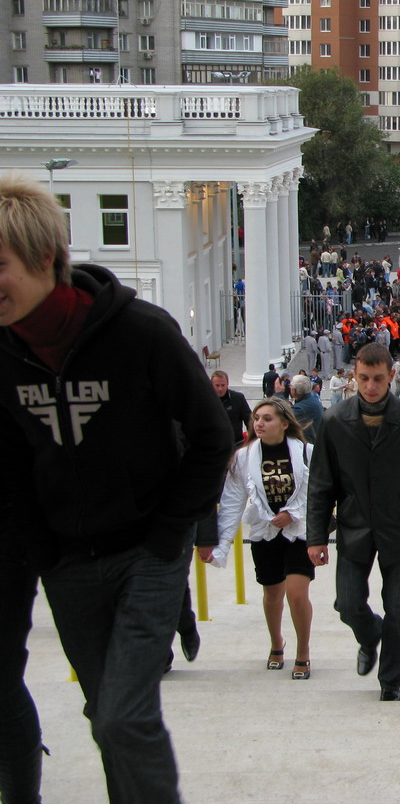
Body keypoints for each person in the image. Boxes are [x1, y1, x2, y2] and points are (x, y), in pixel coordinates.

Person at [0, 173, 232, 804]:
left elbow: (212, 438)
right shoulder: (5, 353)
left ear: (45, 258)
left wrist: (168, 534)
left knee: (122, 716)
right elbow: (13, 459)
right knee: (108, 721)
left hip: (146, 554)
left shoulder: (140, 332)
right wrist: (43, 547)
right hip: (69, 564)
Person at [306, 342, 400, 702]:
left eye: (378, 379)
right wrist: (316, 537)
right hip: (354, 526)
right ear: (354, 377)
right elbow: (322, 484)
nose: (371, 386)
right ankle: (370, 636)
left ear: (392, 377)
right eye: (364, 378)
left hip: (399, 528)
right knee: (348, 603)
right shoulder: (336, 421)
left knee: (399, 608)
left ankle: (391, 679)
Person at [199, 398, 315, 681]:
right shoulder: (243, 456)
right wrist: (221, 543)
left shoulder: (307, 452)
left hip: (297, 532)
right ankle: (277, 643)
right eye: (256, 418)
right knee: (272, 594)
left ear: (284, 424)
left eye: (267, 419)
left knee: (297, 595)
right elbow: (232, 501)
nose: (259, 424)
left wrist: (293, 513)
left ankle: (303, 652)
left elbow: (317, 491)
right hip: (264, 531)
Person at [289, 373, 324, 444]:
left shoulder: (300, 408)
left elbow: (282, 421)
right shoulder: (312, 398)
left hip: (310, 445)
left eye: (290, 386)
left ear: (294, 390)